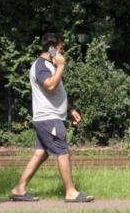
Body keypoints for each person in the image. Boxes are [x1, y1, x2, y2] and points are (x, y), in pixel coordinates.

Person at [10, 32, 94, 202]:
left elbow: (55, 93)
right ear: (52, 49)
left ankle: (19, 189)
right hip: (49, 118)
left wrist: (70, 110)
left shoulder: (50, 66)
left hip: (49, 117)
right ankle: (70, 192)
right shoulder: (41, 65)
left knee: (41, 153)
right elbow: (49, 85)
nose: (62, 53)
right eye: (60, 49)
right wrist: (61, 67)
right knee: (63, 152)